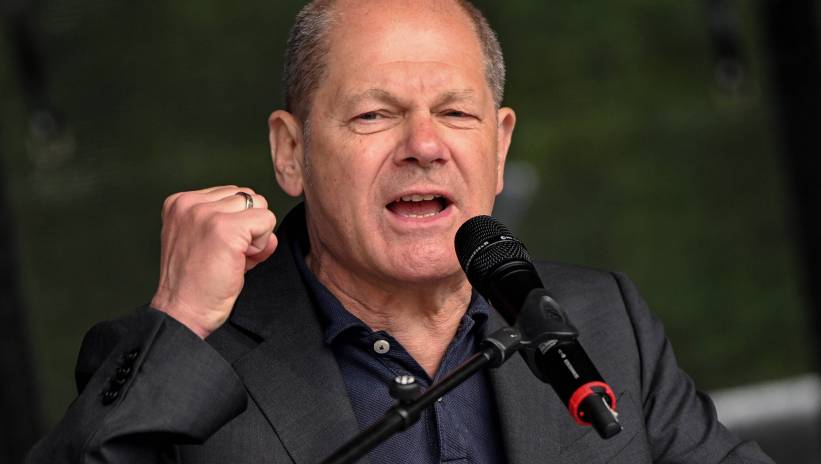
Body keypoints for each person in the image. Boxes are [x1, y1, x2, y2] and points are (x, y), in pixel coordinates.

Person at [28, 0, 774, 463]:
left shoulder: (605, 323)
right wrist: (180, 323)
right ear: (290, 152)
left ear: (499, 147)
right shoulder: (182, 359)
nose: (423, 145)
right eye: (373, 115)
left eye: (455, 113)